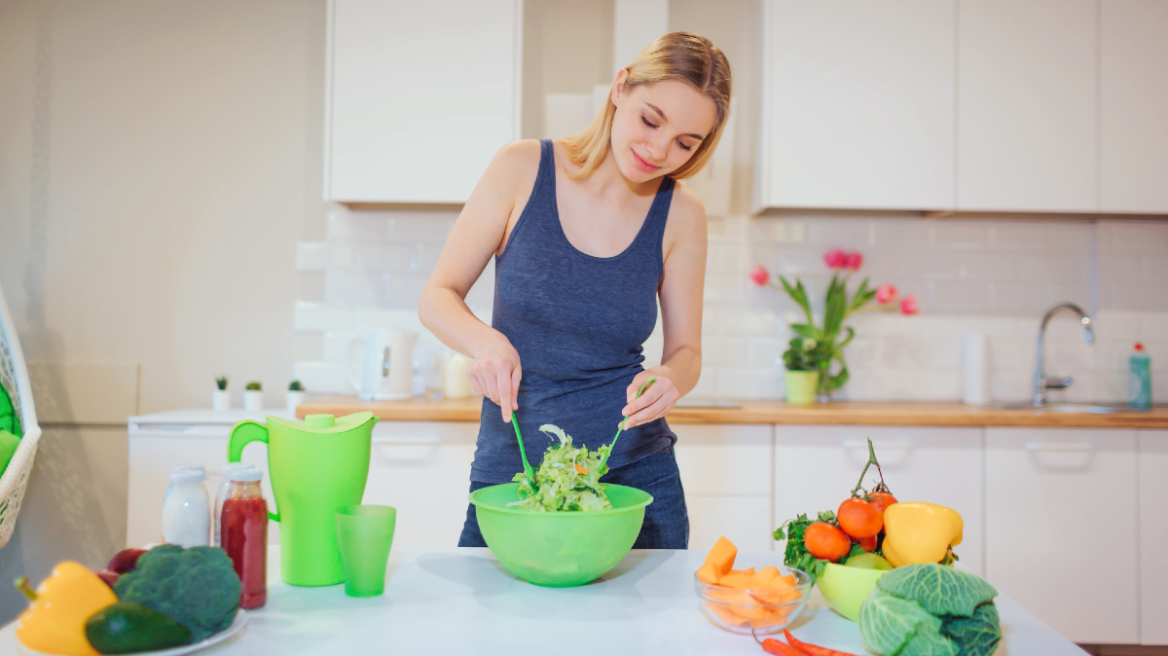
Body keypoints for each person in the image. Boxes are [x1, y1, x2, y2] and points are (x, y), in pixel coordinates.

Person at [418, 32, 732, 549]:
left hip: (635, 474)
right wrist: (486, 342)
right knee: (495, 630)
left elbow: (687, 351)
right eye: (651, 120)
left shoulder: (682, 213)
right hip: (513, 475)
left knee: (650, 630)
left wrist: (672, 377)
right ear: (620, 88)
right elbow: (437, 295)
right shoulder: (521, 168)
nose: (659, 150)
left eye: (685, 143)